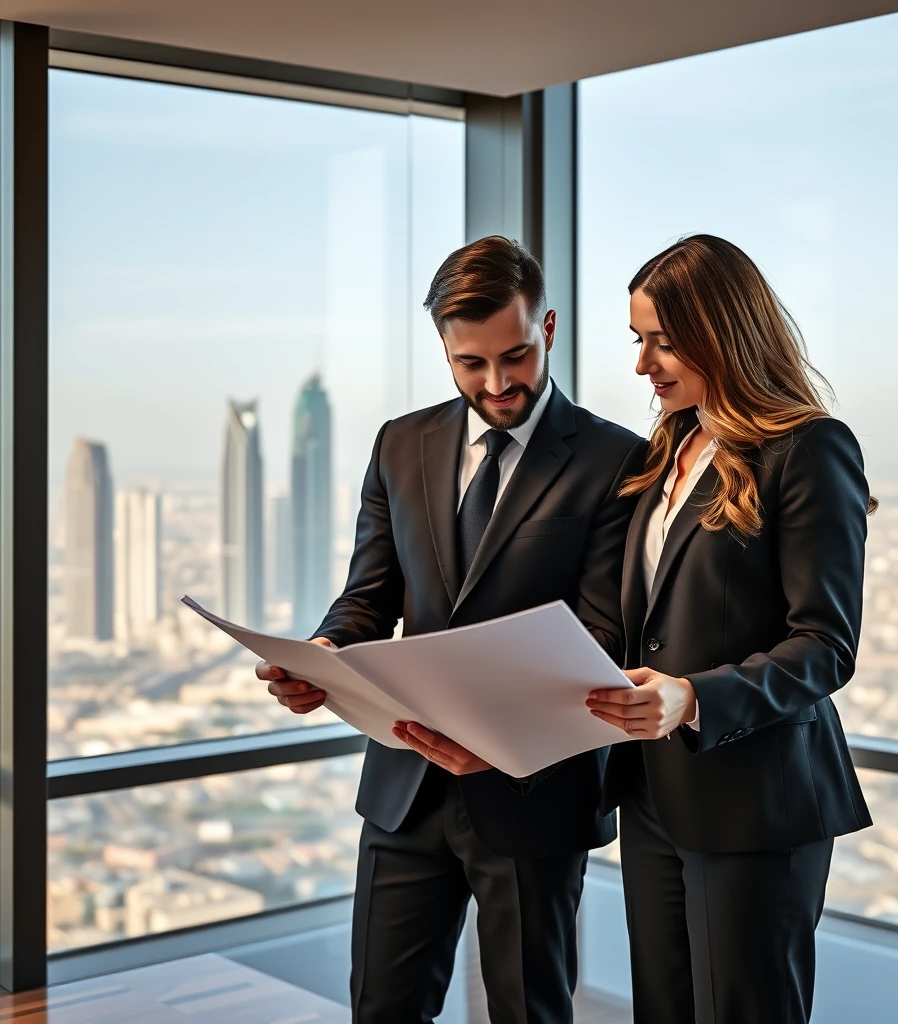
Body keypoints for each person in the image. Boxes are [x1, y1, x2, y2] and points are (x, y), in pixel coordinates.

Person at [257, 236, 646, 1023]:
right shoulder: (401, 444)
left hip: (533, 794)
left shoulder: (616, 459)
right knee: (381, 1009)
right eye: (471, 363)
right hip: (406, 786)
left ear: (548, 327)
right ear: (443, 347)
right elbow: (368, 596)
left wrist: (499, 740)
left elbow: (602, 639)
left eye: (515, 355)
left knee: (528, 1012)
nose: (497, 383)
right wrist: (323, 656)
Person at [587, 235, 874, 1024]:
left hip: (756, 800)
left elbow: (825, 645)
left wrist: (691, 697)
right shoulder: (667, 450)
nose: (642, 365)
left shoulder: (809, 448)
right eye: (638, 340)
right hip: (654, 793)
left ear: (721, 331)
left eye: (662, 341)